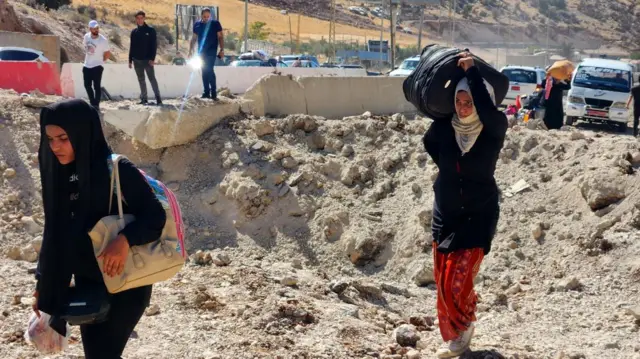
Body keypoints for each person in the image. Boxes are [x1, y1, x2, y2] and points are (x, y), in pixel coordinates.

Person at [33, 99, 167, 358]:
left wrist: (125, 240)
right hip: (87, 283)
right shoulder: (62, 177)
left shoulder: (116, 170)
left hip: (125, 282)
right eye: (50, 139)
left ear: (82, 134)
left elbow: (154, 216)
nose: (55, 146)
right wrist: (43, 283)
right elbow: (55, 233)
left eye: (63, 138)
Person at [422, 52, 507, 359]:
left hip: (478, 215)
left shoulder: (493, 129)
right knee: (444, 283)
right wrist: (449, 174)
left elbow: (485, 106)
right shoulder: (445, 129)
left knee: (460, 281)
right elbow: (430, 144)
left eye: (469, 100)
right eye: (459, 100)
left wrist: (471, 73)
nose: (463, 105)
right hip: (445, 214)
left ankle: (466, 324)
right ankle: (457, 335)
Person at [188, 8, 224, 100]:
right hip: (201, 52)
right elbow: (194, 38)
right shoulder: (197, 25)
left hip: (212, 51)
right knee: (204, 70)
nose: (206, 18)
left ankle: (213, 92)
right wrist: (190, 51)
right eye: (204, 16)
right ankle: (206, 92)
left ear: (210, 16)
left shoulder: (215, 24)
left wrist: (222, 49)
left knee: (209, 69)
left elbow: (220, 37)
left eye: (208, 16)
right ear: (201, 16)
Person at [129, 11, 162, 105]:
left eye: (141, 18)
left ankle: (158, 98)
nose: (139, 20)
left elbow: (154, 46)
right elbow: (132, 46)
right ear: (136, 19)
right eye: (138, 18)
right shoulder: (134, 32)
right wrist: (130, 60)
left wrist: (152, 58)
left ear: (144, 18)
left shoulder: (150, 30)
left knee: (152, 78)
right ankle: (144, 98)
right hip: (136, 60)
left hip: (147, 60)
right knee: (141, 79)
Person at [82, 20, 111, 110]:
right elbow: (85, 46)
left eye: (97, 28)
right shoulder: (86, 37)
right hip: (87, 65)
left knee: (96, 86)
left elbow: (107, 53)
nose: (96, 30)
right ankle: (92, 102)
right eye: (94, 29)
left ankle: (96, 104)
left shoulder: (103, 40)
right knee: (87, 85)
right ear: (90, 29)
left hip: (97, 66)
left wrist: (101, 61)